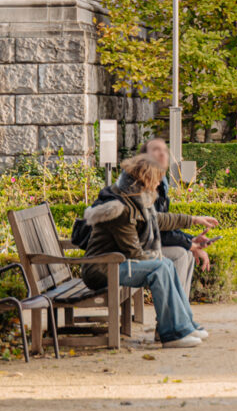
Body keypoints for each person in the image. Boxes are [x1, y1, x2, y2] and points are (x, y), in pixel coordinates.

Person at [81, 153, 213, 347]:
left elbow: (158, 219)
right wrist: (156, 258)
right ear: (145, 179)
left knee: (165, 263)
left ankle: (184, 325)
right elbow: (134, 253)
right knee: (160, 267)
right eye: (157, 180)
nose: (159, 185)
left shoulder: (133, 198)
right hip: (101, 269)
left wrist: (193, 220)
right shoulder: (121, 208)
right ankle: (172, 334)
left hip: (116, 263)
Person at [118, 136, 215, 298]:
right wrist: (189, 243)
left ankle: (179, 312)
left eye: (164, 150)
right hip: (131, 250)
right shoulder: (136, 184)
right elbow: (155, 227)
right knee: (180, 254)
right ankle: (173, 316)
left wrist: (191, 240)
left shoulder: (160, 182)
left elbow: (164, 226)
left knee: (187, 253)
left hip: (144, 244)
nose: (162, 154)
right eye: (156, 150)